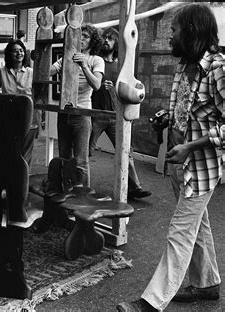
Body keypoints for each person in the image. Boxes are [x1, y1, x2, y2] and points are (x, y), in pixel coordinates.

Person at [117, 4, 225, 312]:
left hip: (201, 167)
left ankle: (151, 302)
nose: (169, 34)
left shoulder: (218, 68)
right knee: (197, 225)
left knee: (180, 230)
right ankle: (207, 285)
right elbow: (191, 109)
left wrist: (192, 146)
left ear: (191, 32)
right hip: (182, 164)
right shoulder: (185, 65)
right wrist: (168, 119)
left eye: (174, 29)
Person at [90, 27, 151, 200]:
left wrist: (114, 91)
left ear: (117, 42)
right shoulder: (96, 62)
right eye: (105, 38)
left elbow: (125, 91)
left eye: (110, 38)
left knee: (126, 151)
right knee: (85, 151)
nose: (106, 41)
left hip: (115, 115)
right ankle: (80, 187)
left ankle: (134, 188)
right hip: (96, 113)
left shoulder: (121, 66)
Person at [50, 23, 104, 188]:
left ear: (93, 41)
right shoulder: (66, 57)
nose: (81, 39)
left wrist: (84, 66)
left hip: (81, 113)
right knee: (65, 158)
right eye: (79, 35)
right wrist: (40, 59)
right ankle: (66, 194)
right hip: (64, 112)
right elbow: (47, 72)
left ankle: (83, 199)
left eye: (86, 36)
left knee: (81, 160)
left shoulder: (96, 60)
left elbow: (96, 85)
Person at [0, 39, 38, 166]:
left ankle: (23, 182)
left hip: (28, 116)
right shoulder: (2, 71)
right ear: (9, 54)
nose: (19, 53)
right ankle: (10, 179)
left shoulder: (31, 73)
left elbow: (38, 95)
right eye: (15, 51)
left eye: (21, 51)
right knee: (8, 149)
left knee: (25, 152)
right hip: (8, 117)